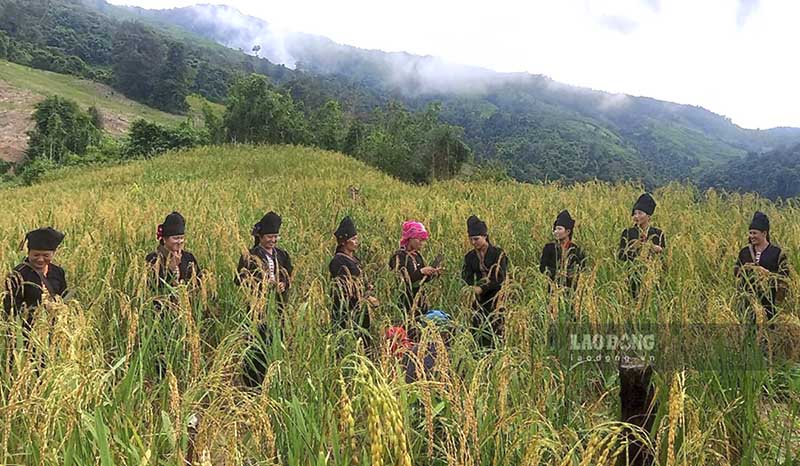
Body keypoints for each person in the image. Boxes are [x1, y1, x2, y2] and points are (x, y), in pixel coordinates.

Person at [3, 227, 68, 331]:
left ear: (53, 254)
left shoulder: (58, 272)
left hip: (53, 331)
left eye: (46, 255)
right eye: (36, 255)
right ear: (28, 253)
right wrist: (38, 310)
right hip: (26, 332)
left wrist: (58, 308)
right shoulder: (17, 274)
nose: (40, 259)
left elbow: (63, 296)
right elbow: (10, 308)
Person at [462, 215, 509, 349]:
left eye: (476, 239)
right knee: (478, 330)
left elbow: (500, 276)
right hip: (477, 300)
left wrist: (482, 287)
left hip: (496, 298)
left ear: (485, 236)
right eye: (471, 239)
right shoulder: (469, 257)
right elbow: (466, 276)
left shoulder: (498, 253)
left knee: (496, 330)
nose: (473, 242)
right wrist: (472, 288)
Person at [329, 216, 378, 342]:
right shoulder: (338, 261)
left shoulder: (354, 259)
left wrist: (367, 286)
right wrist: (366, 297)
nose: (356, 242)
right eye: (353, 239)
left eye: (357, 239)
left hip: (360, 308)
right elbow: (347, 287)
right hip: (347, 309)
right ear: (344, 242)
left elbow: (358, 280)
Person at [734, 211, 790, 321]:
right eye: (750, 233)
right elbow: (736, 271)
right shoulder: (745, 252)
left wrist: (766, 274)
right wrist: (745, 269)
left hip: (769, 301)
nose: (751, 236)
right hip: (748, 301)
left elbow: (784, 277)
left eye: (755, 233)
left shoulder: (777, 253)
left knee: (769, 330)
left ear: (764, 234)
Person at [236, 211, 293, 317]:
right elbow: (239, 279)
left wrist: (283, 283)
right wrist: (261, 284)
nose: (273, 240)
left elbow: (289, 274)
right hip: (258, 304)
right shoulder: (250, 256)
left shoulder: (282, 255)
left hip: (278, 303)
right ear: (260, 237)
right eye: (269, 237)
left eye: (276, 237)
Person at [146, 212, 202, 308]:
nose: (179, 242)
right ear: (164, 239)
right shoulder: (153, 259)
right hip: (161, 310)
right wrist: (171, 271)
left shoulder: (188, 257)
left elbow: (199, 283)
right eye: (175, 238)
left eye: (181, 238)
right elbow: (151, 287)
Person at [389, 220, 442, 320]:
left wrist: (432, 274)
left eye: (423, 240)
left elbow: (421, 280)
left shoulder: (417, 256)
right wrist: (421, 272)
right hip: (405, 301)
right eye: (419, 239)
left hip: (419, 300)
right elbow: (402, 281)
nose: (422, 243)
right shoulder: (399, 257)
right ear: (410, 238)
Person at [618, 193, 666, 298]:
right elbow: (621, 256)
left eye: (640, 213)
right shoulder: (627, 232)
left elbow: (664, 257)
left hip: (653, 277)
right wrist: (634, 246)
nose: (636, 216)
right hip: (633, 278)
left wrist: (653, 247)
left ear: (648, 216)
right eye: (635, 213)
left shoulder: (658, 233)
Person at [539, 210, 587, 293]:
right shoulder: (549, 248)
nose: (556, 232)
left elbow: (582, 269)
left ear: (568, 231)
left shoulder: (576, 250)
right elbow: (543, 268)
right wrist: (557, 273)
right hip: (553, 289)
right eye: (555, 229)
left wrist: (571, 274)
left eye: (559, 229)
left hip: (571, 291)